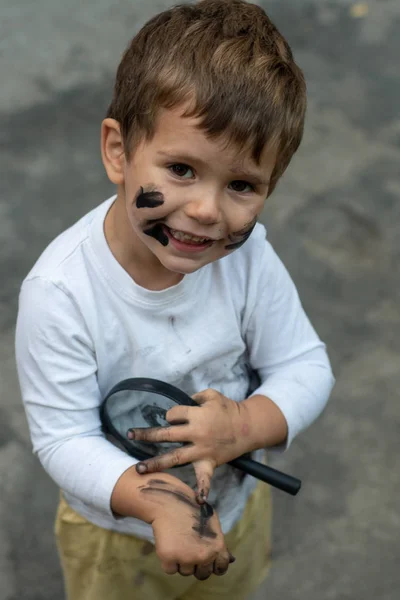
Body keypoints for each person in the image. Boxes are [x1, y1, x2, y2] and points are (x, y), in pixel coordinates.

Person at [15, 1, 335, 599]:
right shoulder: (60, 292)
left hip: (233, 512)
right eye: (182, 169)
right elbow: (63, 437)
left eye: (241, 185)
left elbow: (305, 366)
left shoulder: (248, 258)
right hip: (116, 534)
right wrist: (159, 505)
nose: (208, 210)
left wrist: (242, 426)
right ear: (118, 151)